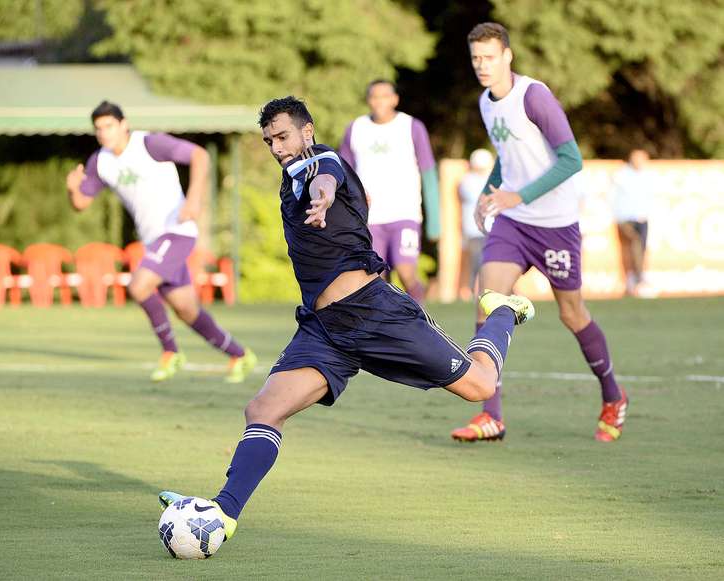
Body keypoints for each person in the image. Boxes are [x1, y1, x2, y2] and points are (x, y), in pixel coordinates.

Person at [158, 96, 535, 545]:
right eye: (269, 141)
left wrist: (325, 196)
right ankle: (224, 513)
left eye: (283, 136)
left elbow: (326, 178)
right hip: (324, 329)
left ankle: (504, 313)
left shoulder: (322, 161)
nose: (277, 147)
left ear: (307, 131)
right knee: (263, 409)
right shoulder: (289, 179)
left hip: (376, 313)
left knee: (480, 387)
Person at [450, 23, 629, 444]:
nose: (482, 65)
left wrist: (518, 196)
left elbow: (571, 159)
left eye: (489, 57)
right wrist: (488, 193)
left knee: (572, 313)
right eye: (476, 58)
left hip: (555, 225)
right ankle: (490, 414)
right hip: (514, 224)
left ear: (507, 56)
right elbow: (505, 155)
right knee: (486, 298)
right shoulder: (485, 103)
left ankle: (613, 396)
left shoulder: (534, 96)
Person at [66, 101, 256, 383]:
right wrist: (71, 189)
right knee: (186, 309)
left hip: (177, 232)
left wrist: (194, 199)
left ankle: (171, 353)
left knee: (139, 285)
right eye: (98, 128)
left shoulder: (150, 144)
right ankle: (240, 355)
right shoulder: (101, 162)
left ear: (123, 124)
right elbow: (81, 203)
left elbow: (200, 156)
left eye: (109, 126)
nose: (104, 133)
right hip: (154, 241)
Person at [338, 80, 440, 303]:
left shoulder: (411, 126)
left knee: (406, 272)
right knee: (376, 278)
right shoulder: (355, 129)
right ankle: (388, 328)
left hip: (405, 214)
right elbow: (343, 173)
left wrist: (435, 220)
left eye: (385, 96)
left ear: (395, 99)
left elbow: (429, 173)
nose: (379, 102)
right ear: (368, 100)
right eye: (374, 96)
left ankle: (421, 319)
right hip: (370, 217)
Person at [611, 149, 654, 296]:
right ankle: (637, 279)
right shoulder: (621, 175)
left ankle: (638, 279)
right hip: (625, 218)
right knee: (634, 243)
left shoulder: (646, 175)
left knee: (641, 247)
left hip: (642, 218)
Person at [458, 148, 494, 300]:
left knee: (492, 263)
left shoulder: (485, 179)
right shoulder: (468, 181)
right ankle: (475, 293)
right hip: (474, 231)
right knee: (477, 263)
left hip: (492, 229)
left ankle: (495, 292)